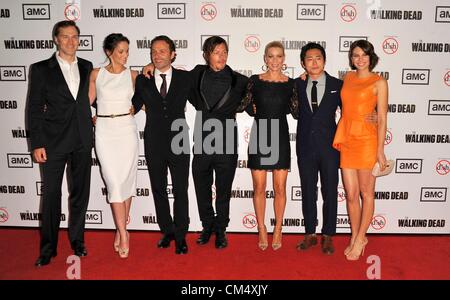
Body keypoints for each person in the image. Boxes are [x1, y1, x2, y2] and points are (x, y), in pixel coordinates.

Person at [28, 20, 93, 267]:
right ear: (56, 39)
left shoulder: (87, 66)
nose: (70, 41)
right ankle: (48, 249)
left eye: (75, 36)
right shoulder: (41, 69)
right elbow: (34, 108)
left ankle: (78, 240)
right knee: (52, 195)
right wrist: (37, 143)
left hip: (82, 140)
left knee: (80, 194)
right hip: (53, 142)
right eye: (65, 36)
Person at [132, 35, 193, 255]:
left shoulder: (186, 78)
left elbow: (212, 75)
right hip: (154, 140)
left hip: (179, 139)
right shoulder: (142, 80)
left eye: (162, 51)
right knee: (158, 188)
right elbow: (133, 105)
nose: (157, 55)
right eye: (153, 52)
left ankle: (181, 234)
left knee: (180, 189)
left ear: (173, 54)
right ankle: (167, 231)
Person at [189, 36, 249, 249]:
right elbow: (170, 76)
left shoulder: (240, 80)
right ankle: (207, 226)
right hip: (203, 141)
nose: (221, 56)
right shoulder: (196, 74)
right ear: (207, 55)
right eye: (216, 52)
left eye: (224, 52)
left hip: (227, 143)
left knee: (224, 189)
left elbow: (256, 97)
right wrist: (151, 66)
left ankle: (221, 230)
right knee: (202, 187)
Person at [333, 40, 388, 261]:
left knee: (366, 193)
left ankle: (361, 237)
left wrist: (380, 150)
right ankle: (355, 235)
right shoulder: (348, 78)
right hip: (347, 138)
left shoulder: (379, 82)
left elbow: (382, 117)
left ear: (370, 57)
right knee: (351, 194)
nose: (360, 59)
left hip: (367, 141)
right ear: (351, 58)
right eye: (355, 55)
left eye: (364, 55)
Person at [240, 41, 297, 251]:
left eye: (279, 56)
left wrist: (300, 83)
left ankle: (278, 228)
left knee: (280, 188)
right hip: (261, 134)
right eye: (270, 56)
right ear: (264, 58)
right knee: (259, 188)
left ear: (284, 59)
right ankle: (262, 228)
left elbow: (297, 113)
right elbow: (243, 104)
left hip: (280, 135)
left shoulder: (291, 84)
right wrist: (252, 109)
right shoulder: (254, 81)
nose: (274, 60)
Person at [88, 33, 138, 259]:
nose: (125, 55)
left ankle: (120, 230)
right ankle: (124, 233)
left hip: (127, 131)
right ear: (109, 52)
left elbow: (145, 99)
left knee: (126, 182)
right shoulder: (96, 74)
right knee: (114, 184)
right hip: (105, 132)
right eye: (121, 51)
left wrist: (137, 106)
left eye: (127, 51)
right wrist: (90, 116)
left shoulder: (134, 74)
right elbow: (85, 101)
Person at [295, 43, 342, 255]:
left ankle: (328, 235)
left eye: (318, 58)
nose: (314, 62)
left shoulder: (338, 85)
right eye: (309, 59)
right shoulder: (296, 84)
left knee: (330, 190)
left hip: (331, 147)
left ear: (324, 60)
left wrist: (374, 115)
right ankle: (310, 233)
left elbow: (353, 109)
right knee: (307, 190)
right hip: (305, 146)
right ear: (303, 63)